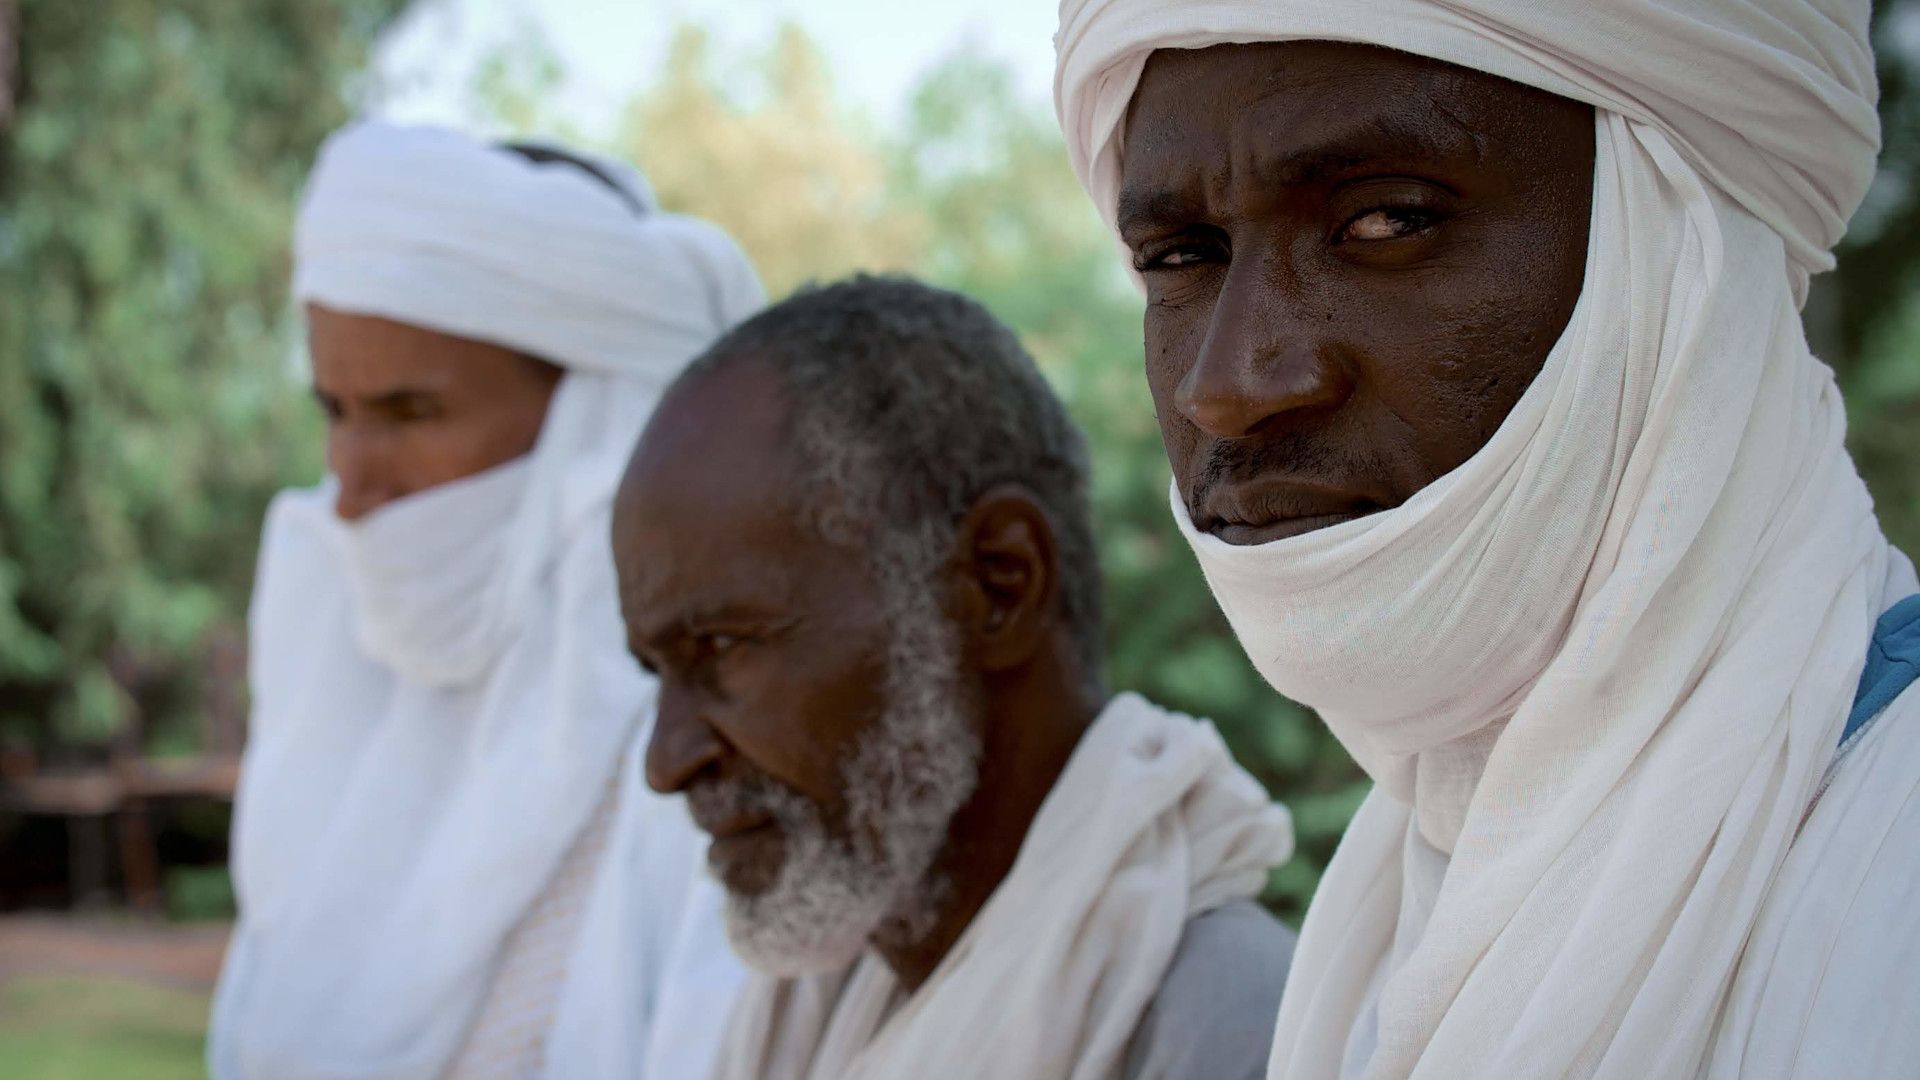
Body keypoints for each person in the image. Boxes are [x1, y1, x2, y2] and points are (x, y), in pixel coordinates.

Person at [1054, 3, 1920, 1078]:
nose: (1226, 387)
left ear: (1674, 241)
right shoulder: (1401, 898)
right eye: (1183, 256)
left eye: (1386, 222)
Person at [611, 275, 1298, 1080]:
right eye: (657, 672)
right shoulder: (809, 1017)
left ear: (998, 587)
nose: (666, 763)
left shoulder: (1234, 1035)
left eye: (722, 646)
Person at [208, 122, 764, 1080]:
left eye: (410, 412)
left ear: (599, 415)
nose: (350, 487)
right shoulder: (335, 683)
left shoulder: (722, 761)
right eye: (333, 411)